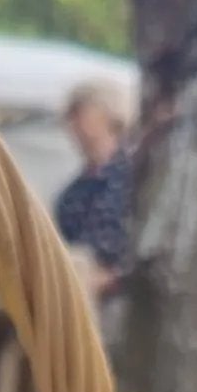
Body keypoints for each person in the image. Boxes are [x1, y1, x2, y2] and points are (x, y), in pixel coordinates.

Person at [53, 81, 133, 292]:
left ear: (109, 115)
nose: (73, 124)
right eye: (70, 116)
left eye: (80, 114)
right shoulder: (71, 195)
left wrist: (110, 278)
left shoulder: (136, 178)